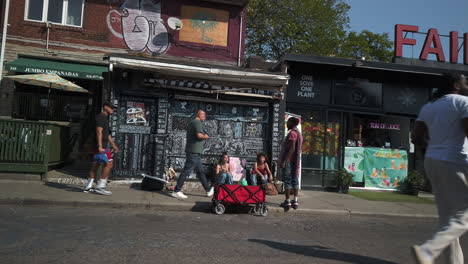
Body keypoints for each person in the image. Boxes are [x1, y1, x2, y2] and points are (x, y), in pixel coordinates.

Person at [411, 72, 468, 264]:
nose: (466, 83)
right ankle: (428, 250)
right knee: (463, 215)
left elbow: (416, 138)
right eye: (464, 80)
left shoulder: (429, 105)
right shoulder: (463, 102)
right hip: (455, 161)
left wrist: (432, 149)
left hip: (433, 161)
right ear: (456, 84)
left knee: (447, 220)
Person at [172, 110, 214, 199]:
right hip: (193, 152)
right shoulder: (197, 122)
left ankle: (208, 190)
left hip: (195, 152)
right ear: (200, 115)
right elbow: (199, 135)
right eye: (204, 115)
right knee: (186, 171)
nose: (205, 117)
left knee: (200, 172)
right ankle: (176, 190)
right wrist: (205, 137)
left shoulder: (192, 122)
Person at [84, 101, 119, 195]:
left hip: (99, 146)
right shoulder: (100, 117)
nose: (113, 109)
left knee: (95, 166)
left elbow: (107, 134)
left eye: (113, 108)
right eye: (111, 107)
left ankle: (88, 187)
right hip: (100, 146)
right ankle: (100, 186)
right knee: (109, 164)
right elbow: (98, 132)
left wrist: (113, 145)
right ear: (105, 107)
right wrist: (100, 146)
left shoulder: (105, 118)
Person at [278, 117, 303, 211]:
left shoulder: (292, 133)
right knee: (295, 179)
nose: (287, 124)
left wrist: (284, 161)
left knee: (288, 180)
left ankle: (287, 201)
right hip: (296, 161)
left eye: (288, 122)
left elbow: (292, 148)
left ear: (292, 123)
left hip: (289, 161)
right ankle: (295, 201)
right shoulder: (299, 134)